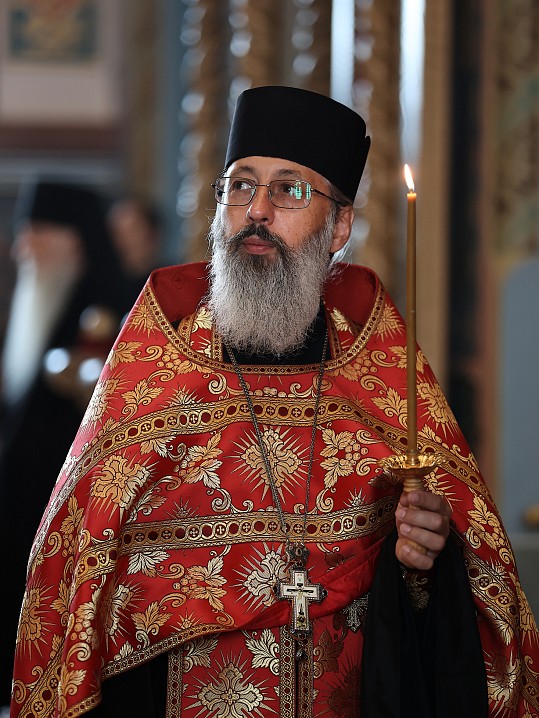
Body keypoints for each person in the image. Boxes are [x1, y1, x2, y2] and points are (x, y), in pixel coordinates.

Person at [10, 87, 539, 717]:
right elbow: (75, 584)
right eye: (241, 186)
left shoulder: (383, 382)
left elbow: (471, 612)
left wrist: (423, 565)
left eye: (289, 190)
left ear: (338, 226)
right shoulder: (156, 371)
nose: (256, 210)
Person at [0, 179, 132, 708]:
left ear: (73, 242)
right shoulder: (38, 306)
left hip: (71, 525)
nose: (21, 250)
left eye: (34, 236)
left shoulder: (110, 316)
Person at [106, 194, 164, 308]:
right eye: (116, 233)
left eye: (132, 231)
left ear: (153, 235)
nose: (122, 241)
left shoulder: (170, 283)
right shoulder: (101, 287)